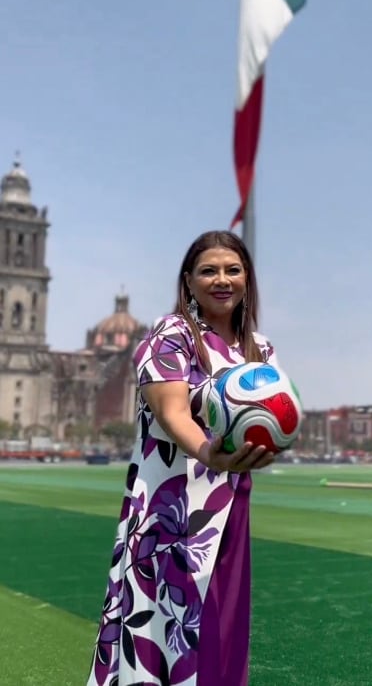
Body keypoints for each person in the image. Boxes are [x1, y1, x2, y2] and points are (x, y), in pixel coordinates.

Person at [87, 230, 277, 686]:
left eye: (233, 270)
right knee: (166, 625)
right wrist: (211, 452)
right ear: (188, 281)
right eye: (208, 270)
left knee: (221, 629)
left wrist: (265, 447)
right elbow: (173, 413)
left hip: (228, 503)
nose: (221, 279)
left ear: (247, 279)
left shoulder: (260, 350)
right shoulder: (171, 334)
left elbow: (268, 418)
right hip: (170, 509)